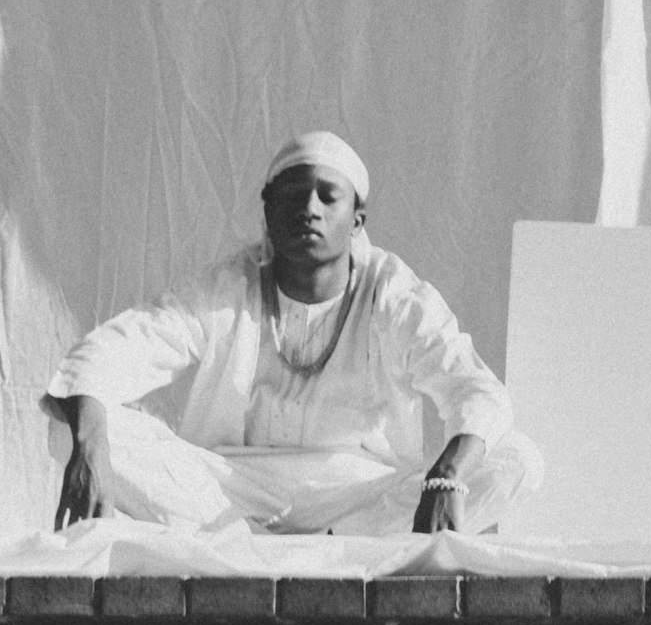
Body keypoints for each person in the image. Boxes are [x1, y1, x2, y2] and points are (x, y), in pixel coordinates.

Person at [45, 131, 542, 535]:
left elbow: (476, 390)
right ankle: (253, 547)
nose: (310, 207)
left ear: (357, 218)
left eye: (329, 195)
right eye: (293, 194)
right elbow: (114, 350)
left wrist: (448, 477)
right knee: (75, 424)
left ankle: (316, 550)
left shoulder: (392, 292)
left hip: (360, 495)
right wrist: (89, 443)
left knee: (516, 458)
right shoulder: (229, 287)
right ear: (268, 210)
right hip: (232, 489)